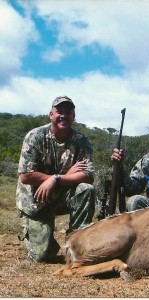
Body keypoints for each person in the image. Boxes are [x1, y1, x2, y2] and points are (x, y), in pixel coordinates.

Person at [16, 96, 96, 262]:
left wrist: (57, 179)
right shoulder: (35, 136)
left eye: (68, 112)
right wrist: (66, 176)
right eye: (59, 111)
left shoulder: (81, 140)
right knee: (41, 256)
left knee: (86, 190)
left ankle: (76, 244)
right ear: (51, 114)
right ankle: (41, 237)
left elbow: (88, 176)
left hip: (61, 195)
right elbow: (26, 176)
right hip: (36, 200)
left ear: (74, 117)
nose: (64, 116)